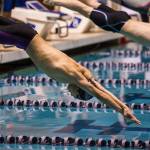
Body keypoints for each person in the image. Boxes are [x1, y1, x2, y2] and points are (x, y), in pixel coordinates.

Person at [0, 15, 140, 124]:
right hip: (23, 38)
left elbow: (99, 87)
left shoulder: (78, 70)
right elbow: (99, 94)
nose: (72, 95)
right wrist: (121, 111)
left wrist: (124, 107)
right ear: (80, 89)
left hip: (27, 34)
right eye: (76, 96)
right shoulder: (72, 75)